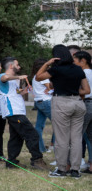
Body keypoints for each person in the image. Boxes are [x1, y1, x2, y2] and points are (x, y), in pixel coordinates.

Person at [36, 45, 90, 178]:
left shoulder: (56, 70)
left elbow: (38, 77)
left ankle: (61, 169)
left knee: (61, 138)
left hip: (61, 103)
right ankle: (75, 170)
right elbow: (86, 90)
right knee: (76, 138)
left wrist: (48, 63)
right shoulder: (78, 69)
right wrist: (73, 91)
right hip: (78, 102)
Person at [0, 58, 46, 171]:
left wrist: (24, 91)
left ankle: (11, 162)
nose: (19, 66)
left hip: (17, 111)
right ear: (10, 66)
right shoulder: (1, 76)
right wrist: (19, 77)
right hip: (14, 112)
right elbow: (5, 78)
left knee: (16, 138)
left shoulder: (13, 81)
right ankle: (37, 160)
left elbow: (14, 93)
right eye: (17, 64)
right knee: (32, 134)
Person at [72, 51, 92, 171]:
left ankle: (73, 166)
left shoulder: (82, 73)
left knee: (76, 136)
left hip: (86, 104)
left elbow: (84, 90)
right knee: (90, 137)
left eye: (74, 60)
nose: (73, 63)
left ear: (83, 61)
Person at [30, 58, 54, 154]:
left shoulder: (35, 76)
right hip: (46, 101)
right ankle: (55, 146)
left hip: (39, 102)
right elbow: (50, 88)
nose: (49, 67)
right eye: (47, 66)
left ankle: (41, 148)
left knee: (38, 127)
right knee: (59, 124)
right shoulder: (44, 77)